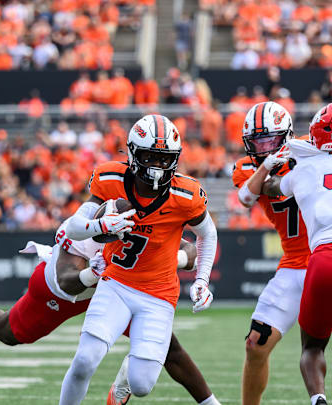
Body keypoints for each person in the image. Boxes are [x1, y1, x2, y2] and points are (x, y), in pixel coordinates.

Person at [0, 215, 219, 405]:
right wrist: (92, 274)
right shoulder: (82, 232)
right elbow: (68, 283)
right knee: (10, 331)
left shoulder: (144, 221)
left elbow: (192, 250)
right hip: (66, 291)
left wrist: (171, 260)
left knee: (166, 346)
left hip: (117, 289)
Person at [59, 114, 219, 405]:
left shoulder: (186, 194)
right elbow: (71, 227)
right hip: (116, 283)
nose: (156, 166)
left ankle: (124, 380)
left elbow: (207, 235)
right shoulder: (110, 179)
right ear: (133, 153)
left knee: (142, 384)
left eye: (163, 158)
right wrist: (101, 226)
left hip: (158, 294)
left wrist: (202, 280)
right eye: (149, 156)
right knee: (85, 359)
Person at [234, 101, 332, 405]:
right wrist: (268, 164)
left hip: (331, 256)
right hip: (293, 266)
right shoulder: (247, 168)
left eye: (271, 141)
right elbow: (247, 196)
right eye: (258, 142)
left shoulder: (311, 148)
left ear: (287, 136)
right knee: (255, 345)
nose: (264, 147)